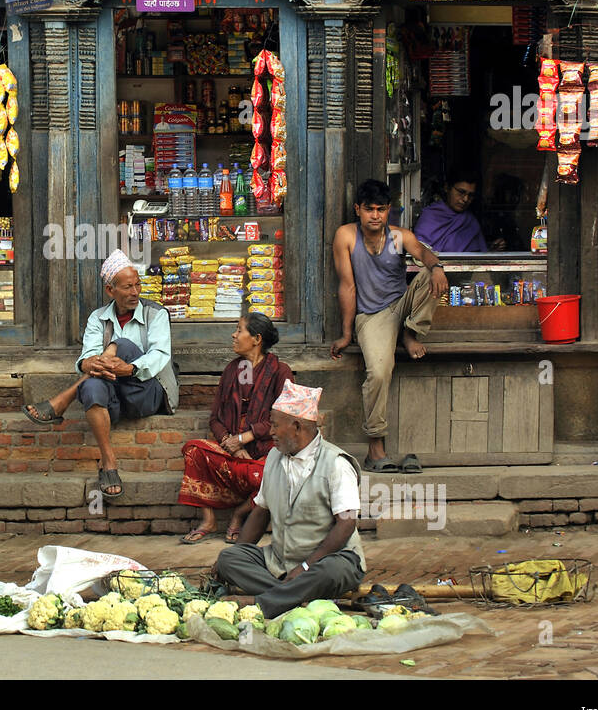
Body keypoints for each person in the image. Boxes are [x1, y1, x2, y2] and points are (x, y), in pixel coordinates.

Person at [21, 249, 177, 501]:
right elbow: (88, 358)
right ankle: (109, 463)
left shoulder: (156, 314)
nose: (135, 292)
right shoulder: (98, 318)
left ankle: (61, 401)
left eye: (137, 285)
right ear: (110, 291)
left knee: (122, 345)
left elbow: (159, 355)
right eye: (127, 287)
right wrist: (92, 365)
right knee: (92, 386)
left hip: (147, 393)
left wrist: (129, 368)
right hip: (113, 398)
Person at [212, 381, 366, 619]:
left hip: (328, 560)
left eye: (274, 425)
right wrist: (235, 560)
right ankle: (293, 597)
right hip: (281, 561)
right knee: (229, 558)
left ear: (296, 426)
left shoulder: (336, 463)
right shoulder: (274, 456)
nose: (270, 431)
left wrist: (306, 567)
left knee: (333, 572)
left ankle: (265, 602)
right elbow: (260, 511)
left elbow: (346, 524)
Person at [330, 179, 448, 474]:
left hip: (402, 307)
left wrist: (437, 268)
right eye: (369, 209)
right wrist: (347, 333)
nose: (375, 216)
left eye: (381, 210)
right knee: (379, 372)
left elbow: (423, 253)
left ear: (388, 211)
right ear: (358, 209)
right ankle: (375, 448)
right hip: (372, 316)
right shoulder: (346, 236)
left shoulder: (399, 236)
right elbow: (347, 286)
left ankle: (410, 333)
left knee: (430, 275)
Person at [178, 313, 293, 544]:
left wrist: (244, 438)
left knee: (277, 476)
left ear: (257, 339)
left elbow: (284, 417)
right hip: (233, 452)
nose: (234, 335)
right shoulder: (233, 370)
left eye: (239, 330)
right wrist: (230, 443)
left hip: (263, 455)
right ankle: (209, 520)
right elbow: (215, 419)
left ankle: (239, 515)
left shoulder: (281, 372)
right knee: (194, 450)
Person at [413, 173, 507, 253]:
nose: (465, 199)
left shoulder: (470, 221)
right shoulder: (430, 216)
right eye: (461, 192)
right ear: (447, 188)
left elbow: (477, 255)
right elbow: (419, 251)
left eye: (470, 195)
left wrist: (491, 249)